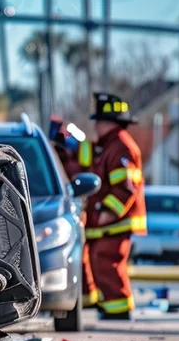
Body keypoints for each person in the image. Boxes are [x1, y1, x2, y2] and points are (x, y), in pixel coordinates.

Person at [57, 93, 147, 320]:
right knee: (92, 260)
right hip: (102, 222)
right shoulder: (106, 146)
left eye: (99, 121)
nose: (95, 125)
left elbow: (126, 188)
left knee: (106, 262)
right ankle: (99, 305)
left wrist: (108, 213)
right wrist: (64, 145)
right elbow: (85, 159)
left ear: (111, 123)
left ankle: (118, 310)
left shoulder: (122, 147)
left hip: (115, 222)